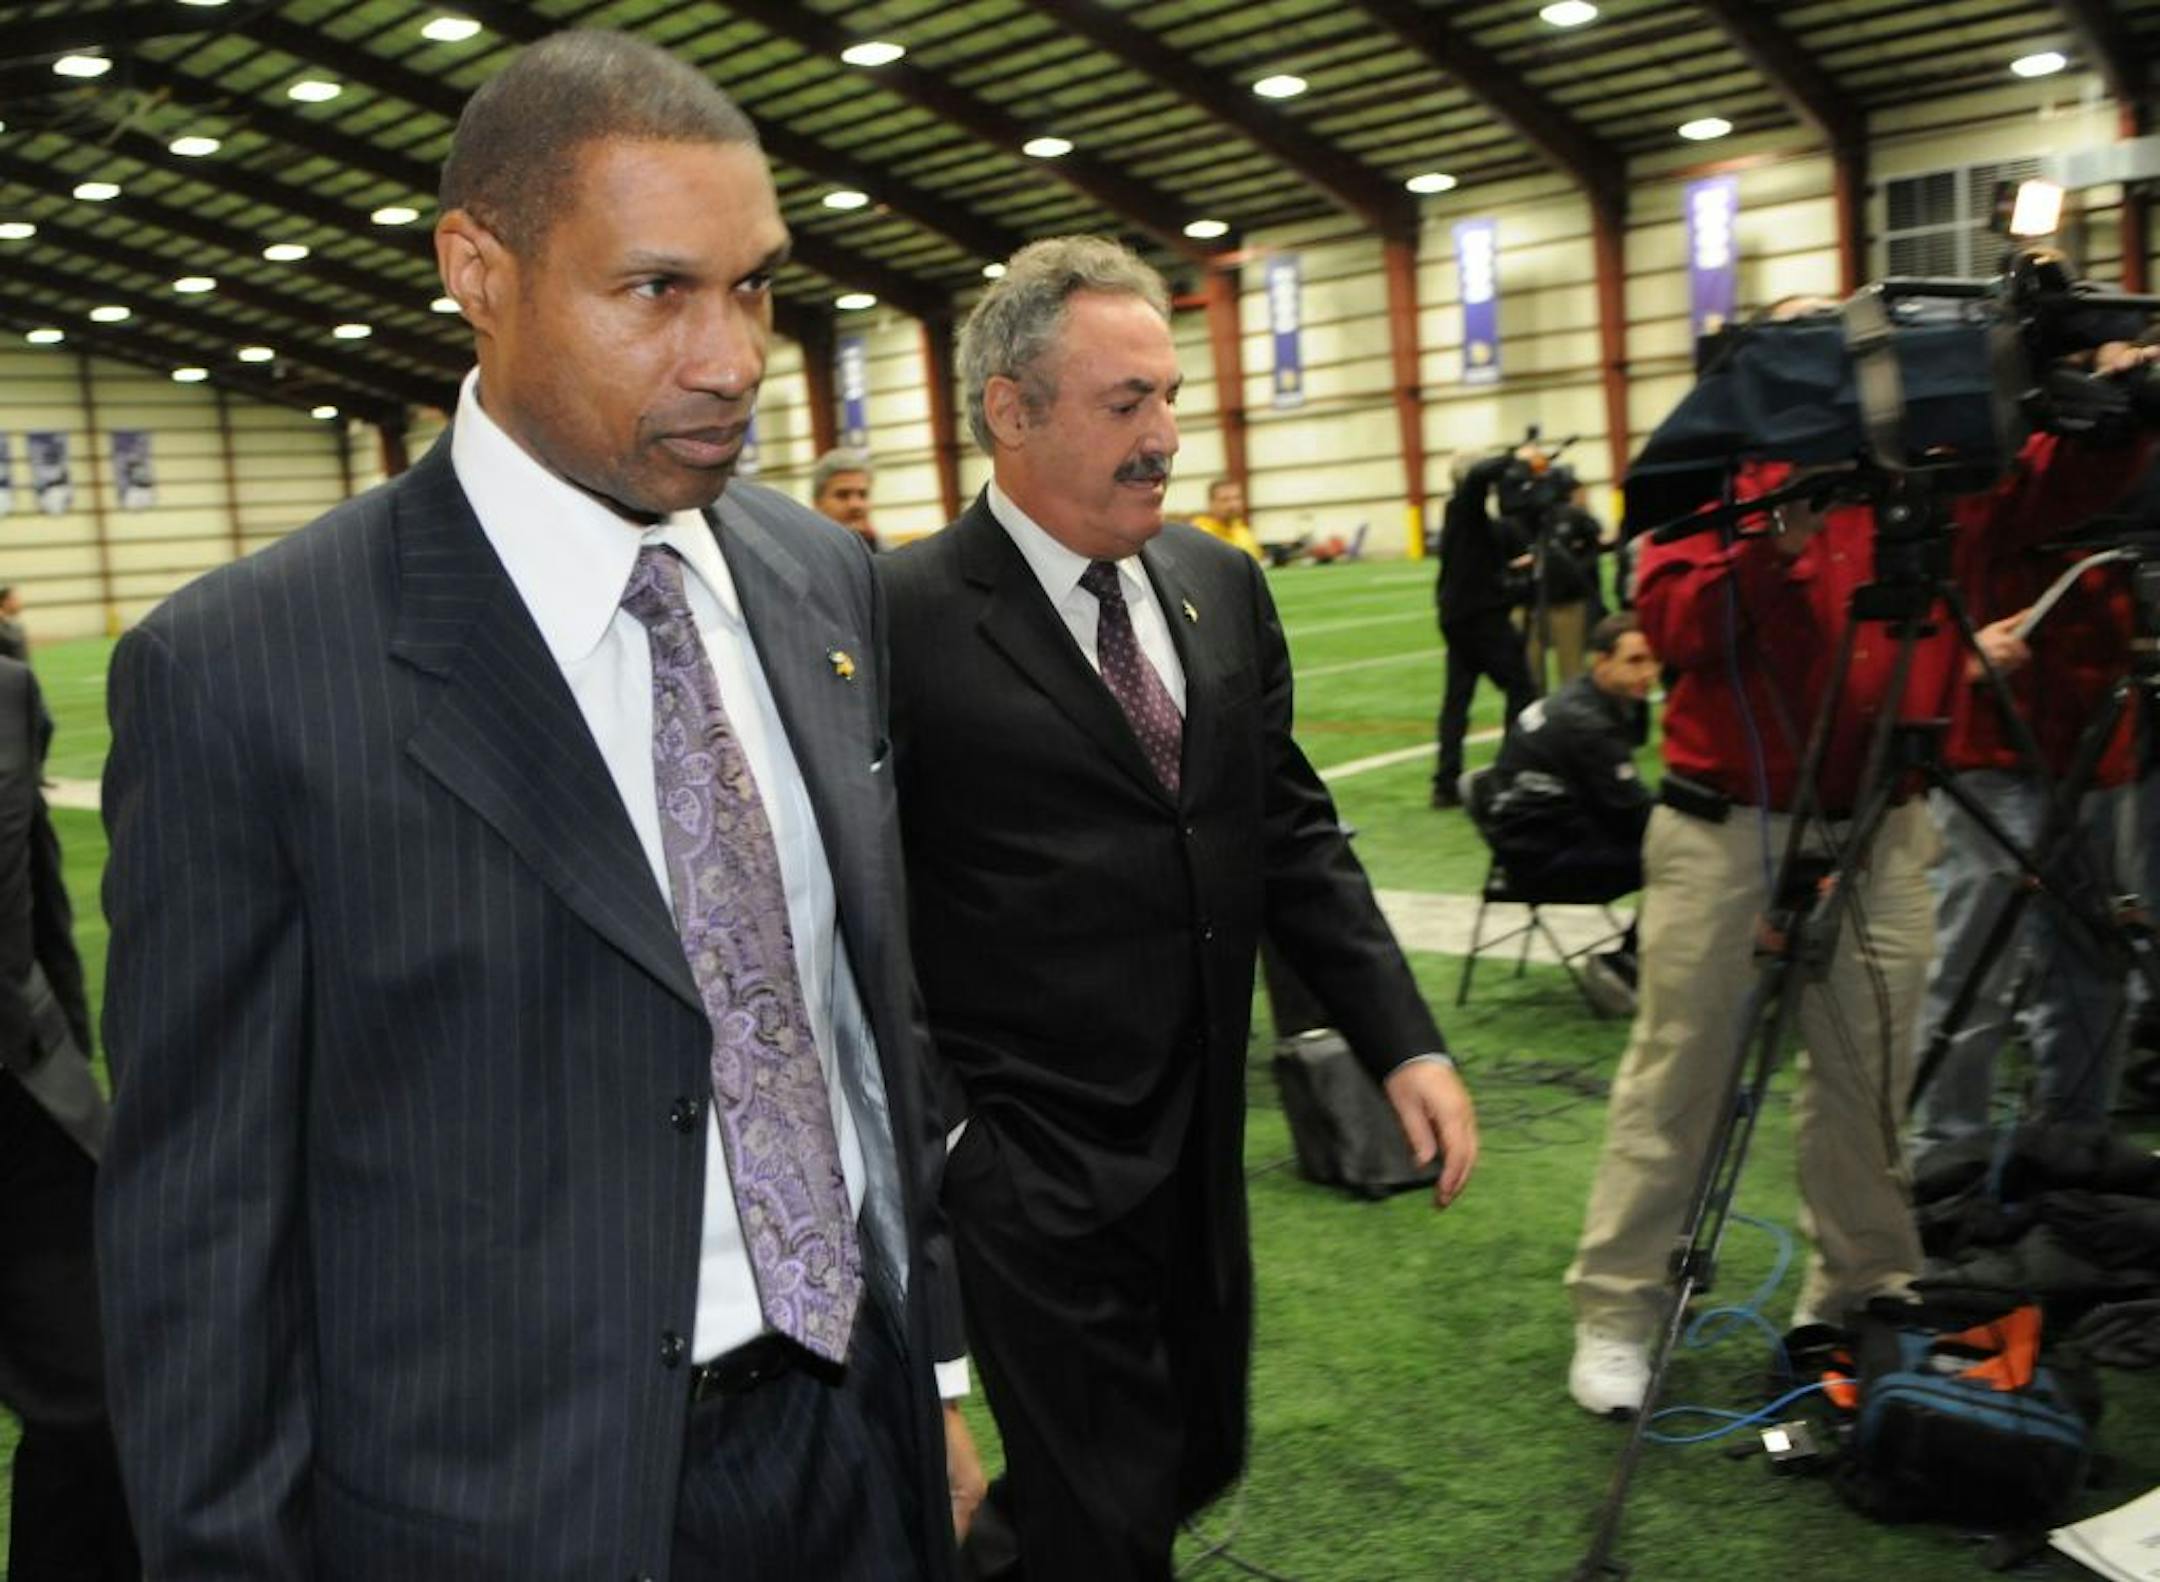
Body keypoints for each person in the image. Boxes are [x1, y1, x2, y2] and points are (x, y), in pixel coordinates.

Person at [97, 32, 956, 1580]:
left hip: (851, 1452)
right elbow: (199, 1249)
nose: (732, 355)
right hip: (504, 1519)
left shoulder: (818, 580)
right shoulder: (243, 673)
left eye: (754, 284)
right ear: (477, 270)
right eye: (656, 291)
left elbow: (857, 1026)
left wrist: (933, 1369)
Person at [879, 235, 1479, 1582]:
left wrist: (1405, 1039)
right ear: (1010, 409)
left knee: (1192, 1449)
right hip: (1029, 1169)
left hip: (1203, 1151)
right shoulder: (902, 616)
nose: (1163, 437)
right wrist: (961, 1139)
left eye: (1166, 398)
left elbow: (1288, 828)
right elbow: (859, 916)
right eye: (1123, 404)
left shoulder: (1219, 582)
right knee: (1110, 1519)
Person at [1562, 341, 2157, 1419]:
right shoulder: (1721, 477)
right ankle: (1619, 1308)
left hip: (1888, 823)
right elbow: (1678, 625)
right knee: (1679, 1083)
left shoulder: (1932, 475)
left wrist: (2119, 411)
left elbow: (2051, 493)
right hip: (1727, 827)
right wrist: (1777, 539)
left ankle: (1861, 1291)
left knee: (1869, 1085)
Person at [1910, 527, 2140, 1157]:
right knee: (1974, 962)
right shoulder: (1989, 459)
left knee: (2093, 961)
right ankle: (1946, 1156)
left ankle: (2075, 1153)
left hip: (2099, 746)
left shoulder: (2125, 476)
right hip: (1989, 742)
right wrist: (1954, 659)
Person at [0, 656, 139, 1581]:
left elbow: (39, 902)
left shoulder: (9, 695)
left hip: (23, 1116)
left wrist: (72, 1077)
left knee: (101, 1408)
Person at [1482, 612, 1656, 1008]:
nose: (1649, 672)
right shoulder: (1588, 723)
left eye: (1652, 660)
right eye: (1635, 661)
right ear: (1602, 660)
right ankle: (1624, 965)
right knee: (1680, 858)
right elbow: (1634, 815)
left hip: (1535, 839)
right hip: (1543, 859)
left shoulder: (1582, 698)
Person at [1432, 446, 1538, 807]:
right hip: (1480, 617)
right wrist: (1515, 455)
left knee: (1457, 700)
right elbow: (1479, 477)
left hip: (1460, 617)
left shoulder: (1468, 517)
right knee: (1522, 687)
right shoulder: (1465, 506)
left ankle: (1446, 783)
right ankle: (1510, 770)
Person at [812, 446, 879, 552]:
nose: (856, 505)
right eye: (843, 495)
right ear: (818, 503)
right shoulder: (800, 556)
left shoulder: (888, 554)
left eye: (863, 495)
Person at [1187, 476, 1262, 562]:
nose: (1233, 504)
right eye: (1225, 500)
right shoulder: (1199, 532)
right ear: (1211, 503)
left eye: (1237, 498)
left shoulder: (1244, 532)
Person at [0, 586, 27, 662]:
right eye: (15, 599)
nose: (19, 602)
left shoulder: (14, 625)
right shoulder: (5, 628)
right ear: (4, 601)